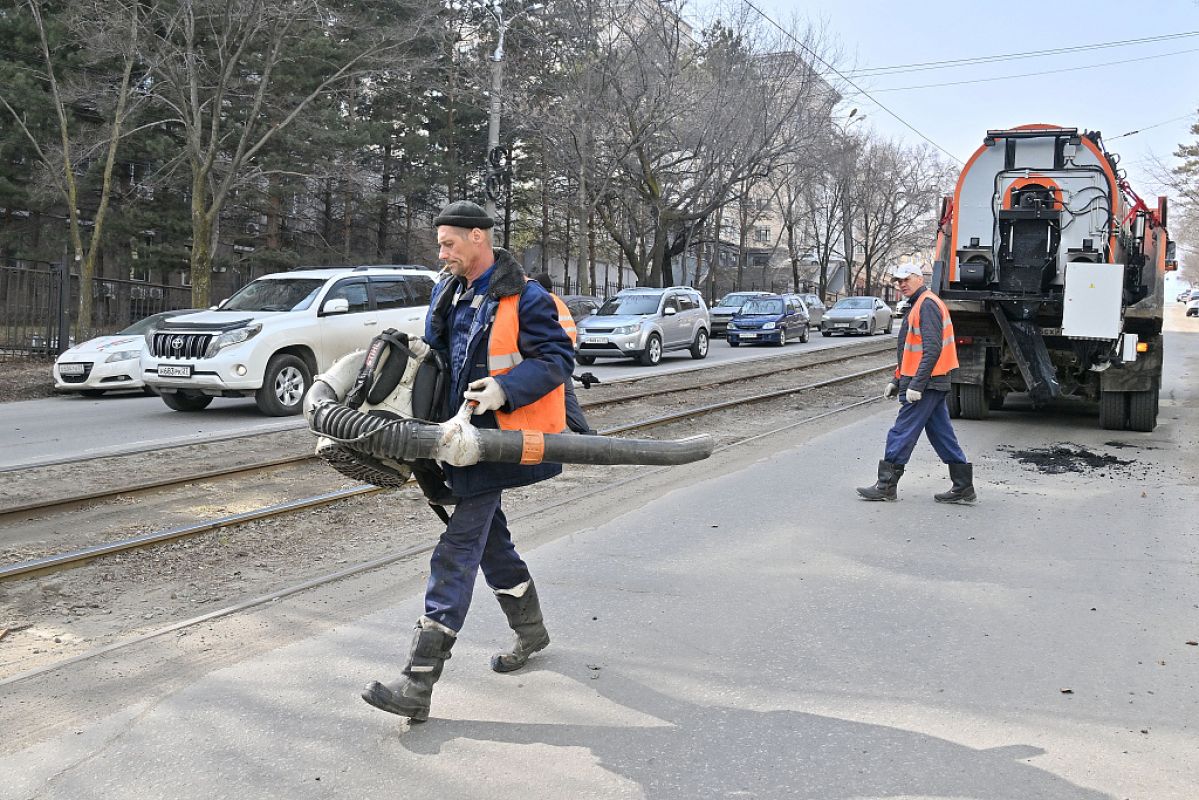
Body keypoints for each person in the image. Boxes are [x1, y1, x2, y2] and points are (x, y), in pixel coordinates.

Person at [361, 200, 575, 723]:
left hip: (499, 441)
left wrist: (505, 388)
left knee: (457, 550)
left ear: (479, 238)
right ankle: (531, 631)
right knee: (492, 544)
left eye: (449, 243)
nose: (442, 253)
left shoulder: (525, 297)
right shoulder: (448, 289)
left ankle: (418, 682)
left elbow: (557, 360)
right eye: (440, 245)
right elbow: (435, 357)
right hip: (451, 440)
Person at [856, 263, 977, 504]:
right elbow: (912, 352)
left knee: (901, 432)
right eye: (898, 281)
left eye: (906, 279)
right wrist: (897, 379)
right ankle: (963, 486)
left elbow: (932, 349)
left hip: (926, 384)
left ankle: (886, 485)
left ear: (919, 279)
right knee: (942, 435)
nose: (901, 284)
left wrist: (916, 386)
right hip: (926, 382)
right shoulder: (919, 304)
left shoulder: (927, 304)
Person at [534, 272, 595, 435]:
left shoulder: (542, 302)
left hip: (554, 357)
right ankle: (582, 431)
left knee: (565, 396)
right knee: (564, 395)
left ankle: (583, 433)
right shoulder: (557, 302)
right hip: (563, 354)